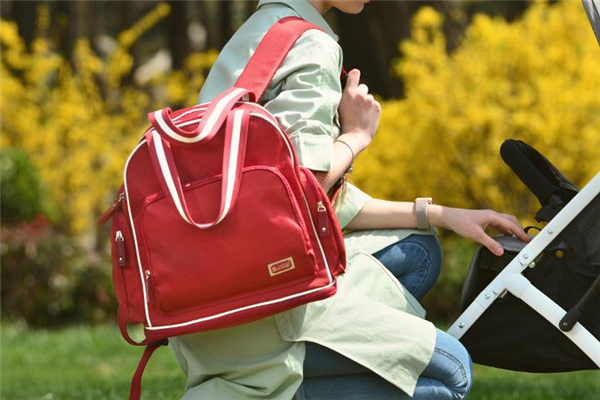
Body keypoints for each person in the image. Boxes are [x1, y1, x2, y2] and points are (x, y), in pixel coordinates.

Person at [168, 1, 531, 399]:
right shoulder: (310, 46)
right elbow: (304, 189)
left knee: (418, 249)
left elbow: (293, 204)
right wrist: (355, 136)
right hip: (266, 311)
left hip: (211, 313)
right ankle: (274, 380)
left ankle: (276, 374)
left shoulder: (259, 32)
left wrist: (440, 214)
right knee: (451, 375)